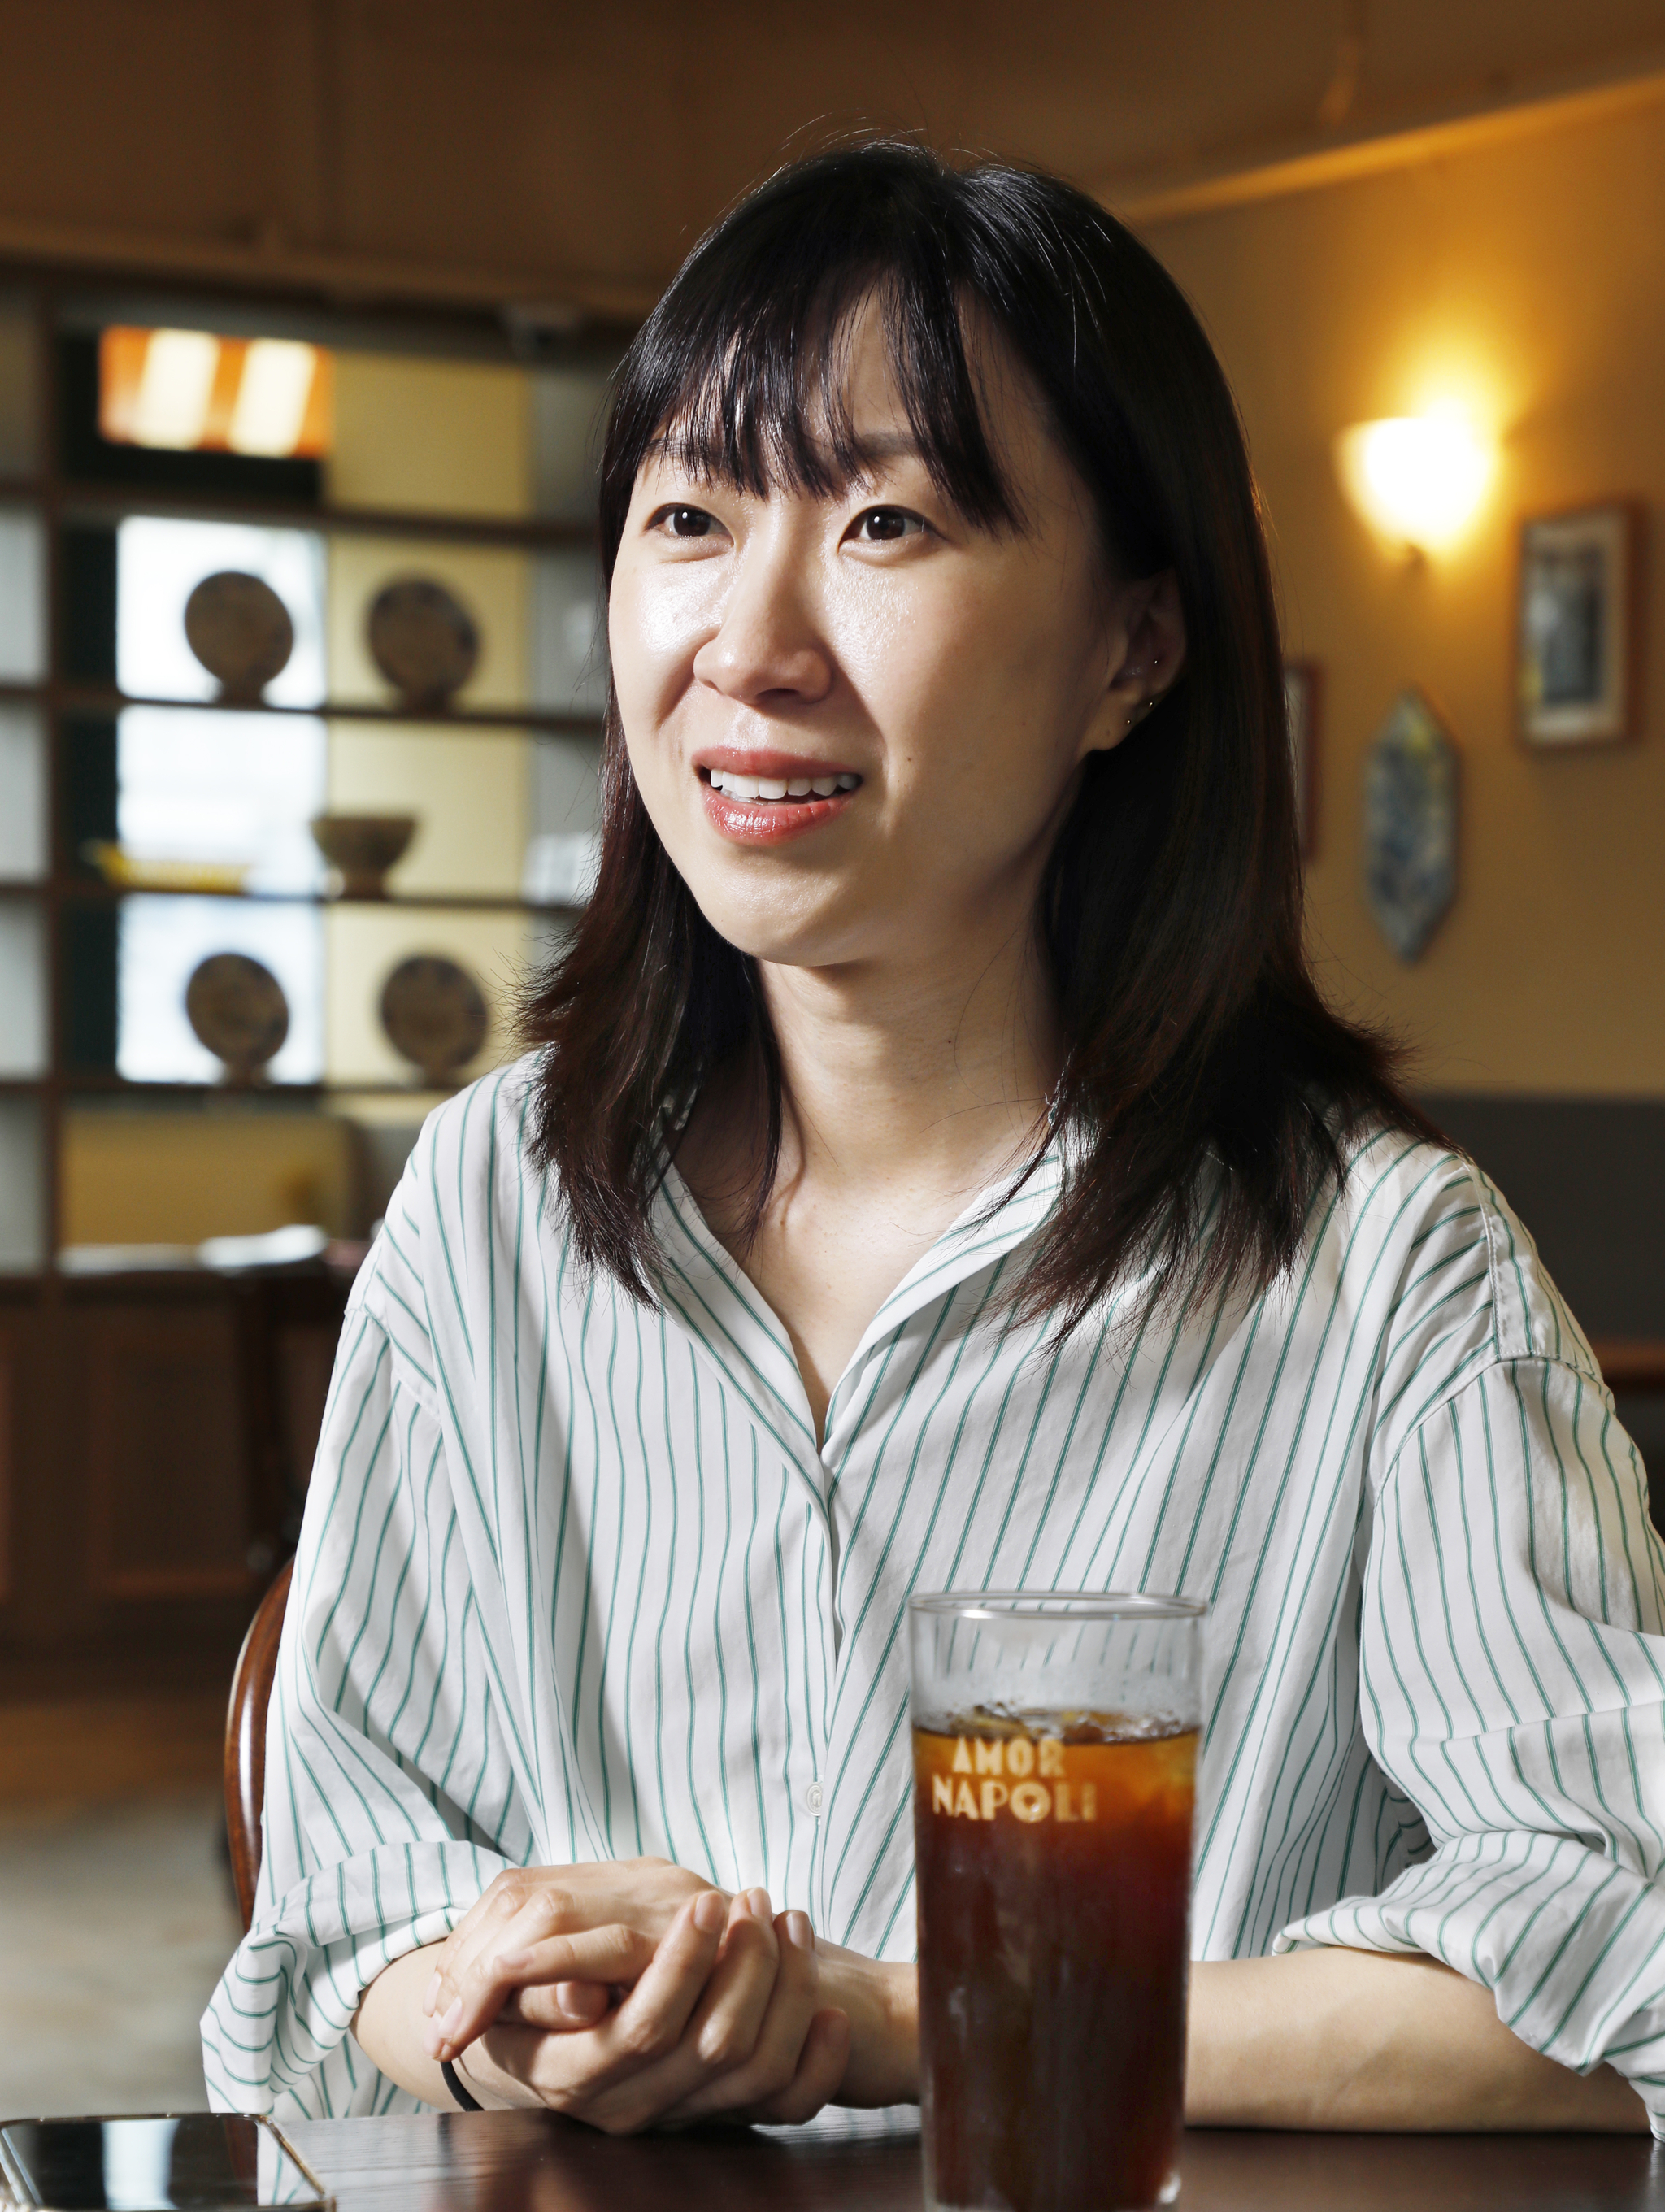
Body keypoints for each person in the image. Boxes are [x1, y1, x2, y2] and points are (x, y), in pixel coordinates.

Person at [203, 142, 1663, 2138]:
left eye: (885, 520)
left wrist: (902, 2016)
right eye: (691, 516)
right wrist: (500, 2011)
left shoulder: (1388, 1275)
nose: (749, 641)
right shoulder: (489, 1206)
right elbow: (345, 1906)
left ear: (1133, 650)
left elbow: (1619, 1972)